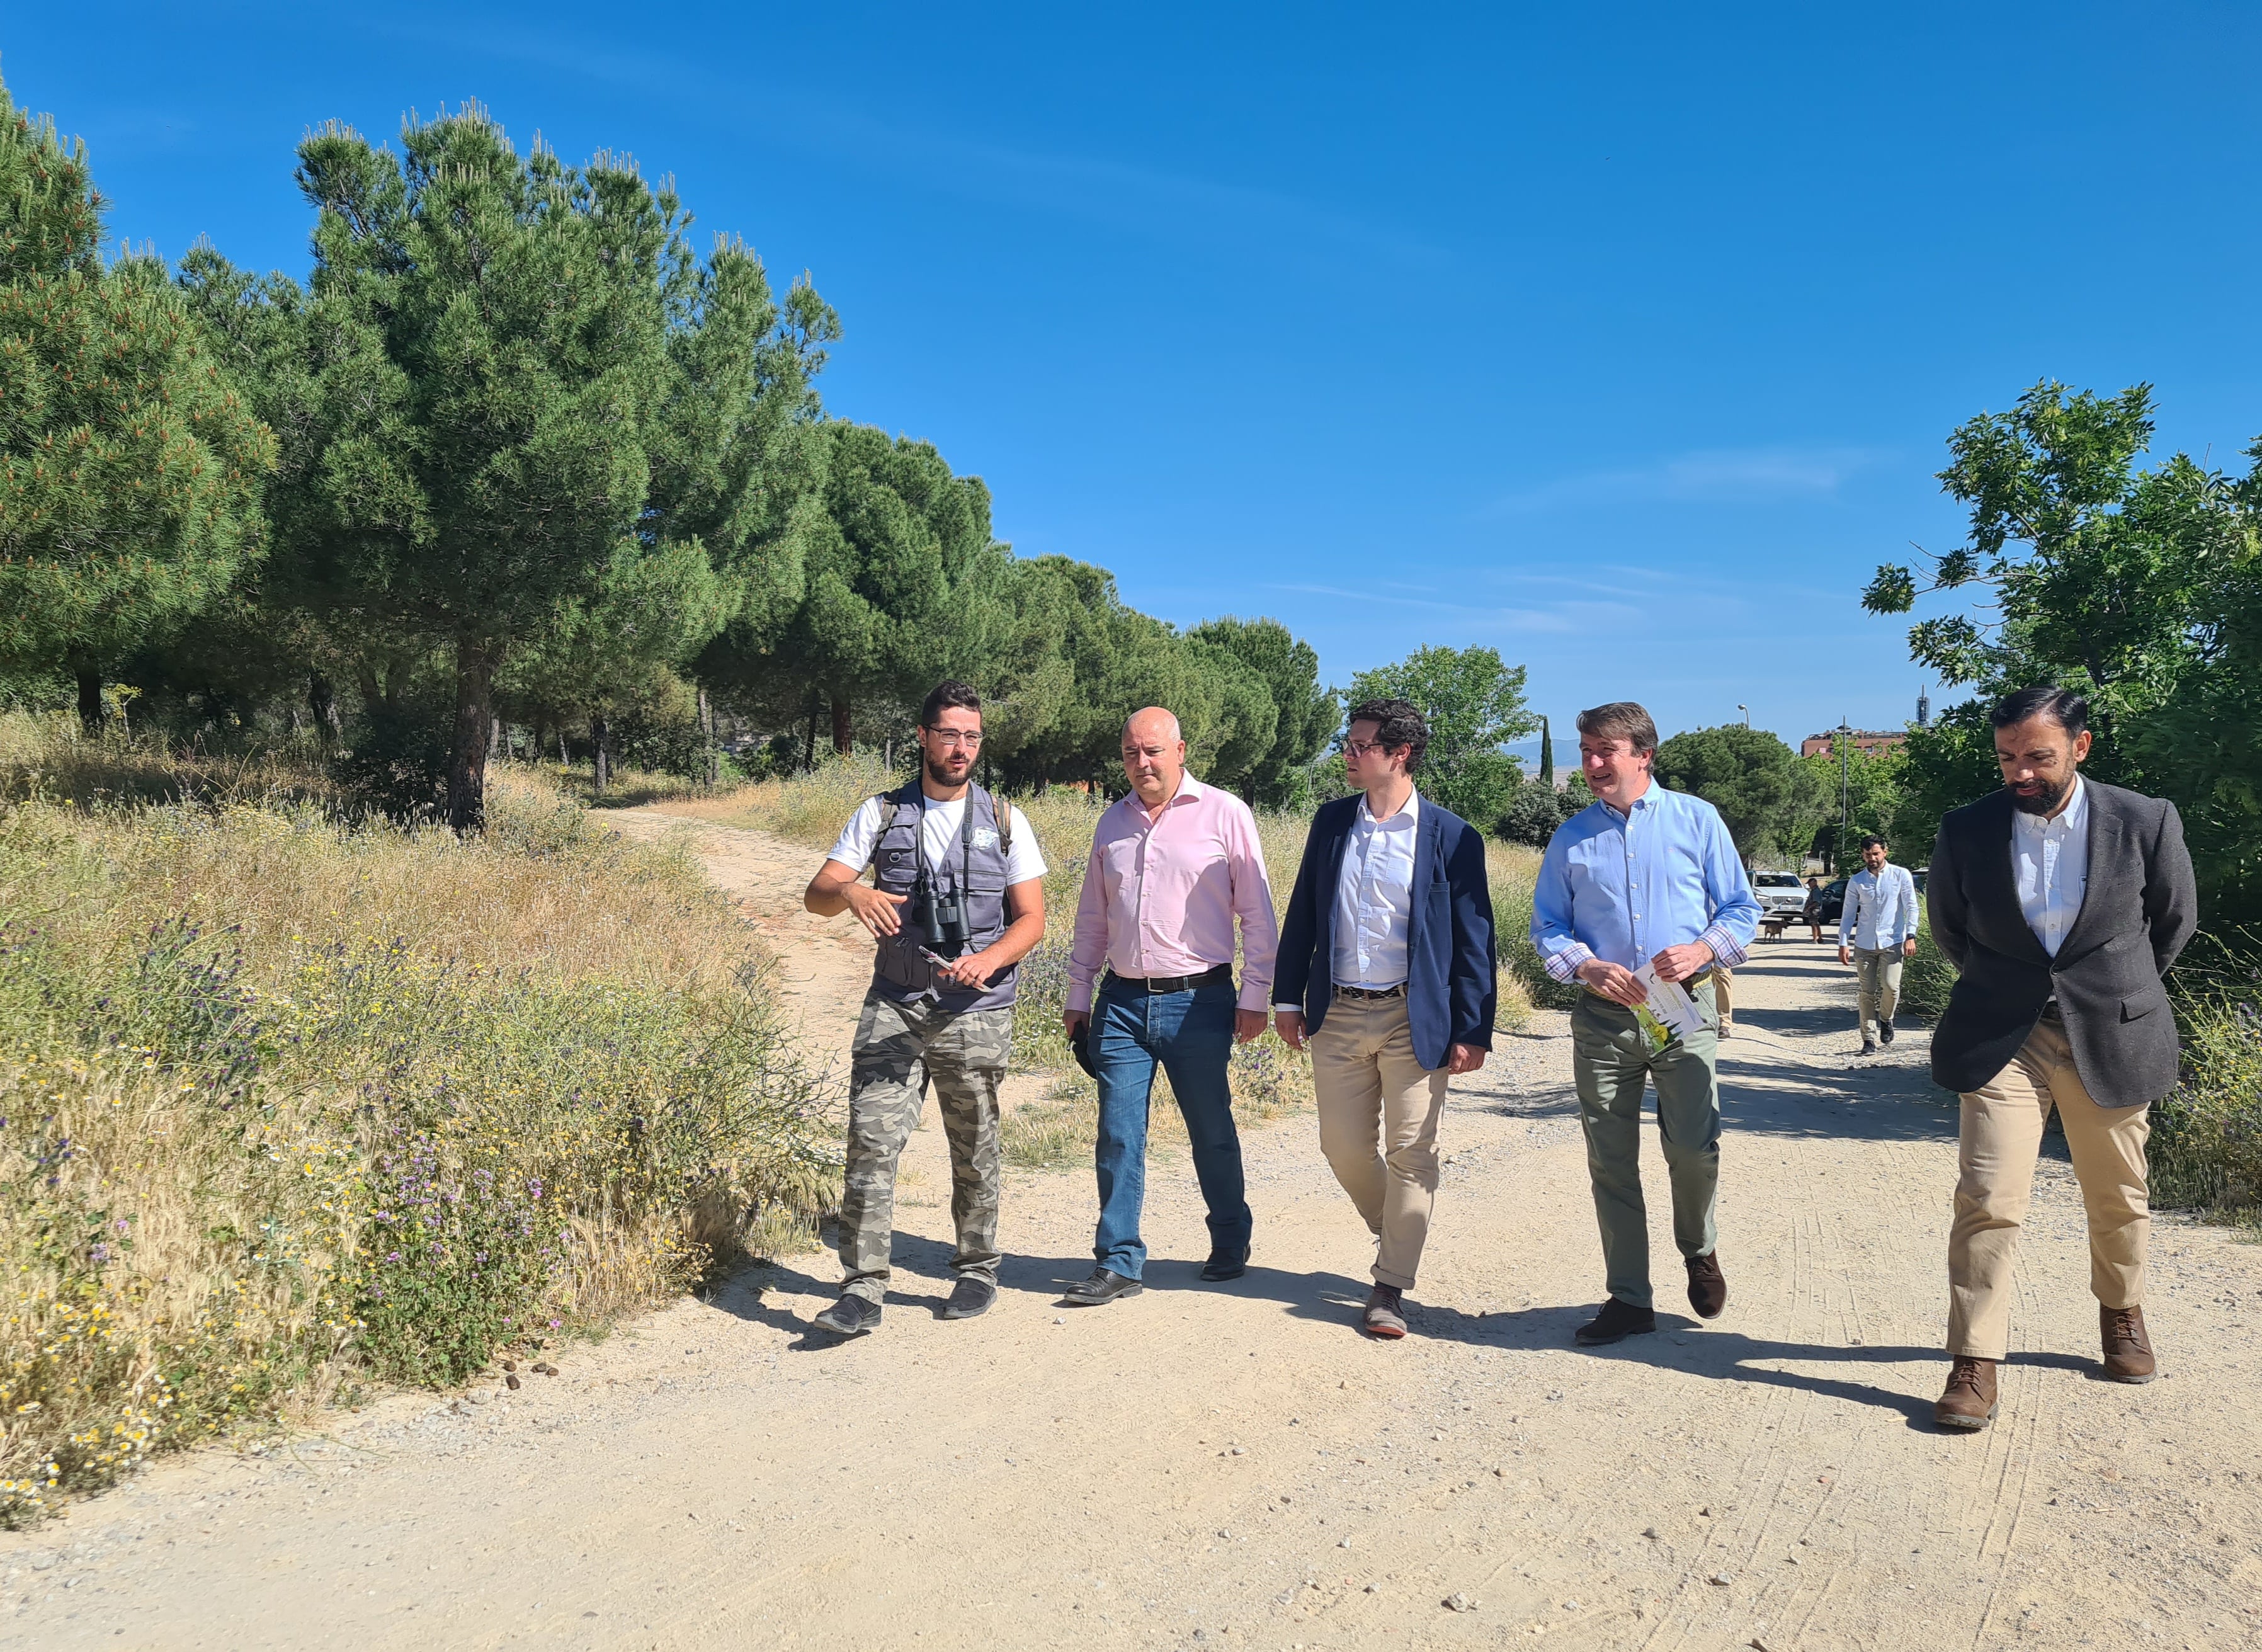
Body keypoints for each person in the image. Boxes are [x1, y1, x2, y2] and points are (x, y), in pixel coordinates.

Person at [1925, 686, 2196, 1431]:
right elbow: (1952, 929)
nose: (2019, 773)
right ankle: (1975, 1361)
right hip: (2004, 1038)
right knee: (1988, 1197)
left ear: (2078, 747)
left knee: (2116, 1193)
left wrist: (2109, 991)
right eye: (2007, 757)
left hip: (2107, 1030)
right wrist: (2010, 988)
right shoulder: (1967, 828)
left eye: (2036, 756)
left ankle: (2121, 1311)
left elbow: (2172, 924)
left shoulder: (2144, 821)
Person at [800, 681, 1048, 1336]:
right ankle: (861, 1288)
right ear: (922, 736)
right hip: (897, 1003)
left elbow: (1031, 921)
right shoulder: (880, 813)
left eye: (971, 736)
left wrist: (988, 960)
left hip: (977, 1005)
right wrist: (852, 891)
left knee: (975, 1145)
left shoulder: (1005, 820)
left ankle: (975, 1269)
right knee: (871, 1141)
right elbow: (816, 896)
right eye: (948, 734)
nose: (960, 747)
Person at [1531, 702, 1762, 1347]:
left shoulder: (1697, 820)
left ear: (1643, 754)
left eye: (1606, 750)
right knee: (1611, 1161)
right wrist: (1583, 966)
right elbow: (1546, 923)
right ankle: (1629, 1297)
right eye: (1585, 751)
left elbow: (1742, 906)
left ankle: (1699, 1246)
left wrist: (1703, 948)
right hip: (1605, 1020)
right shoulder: (1571, 837)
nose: (1593, 764)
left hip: (1684, 1012)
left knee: (1694, 1146)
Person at [1272, 698, 1496, 1338]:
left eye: (1359, 745)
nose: (1347, 754)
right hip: (1337, 1009)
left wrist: (1473, 1026)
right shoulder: (1332, 823)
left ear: (1398, 753)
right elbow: (1304, 914)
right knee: (1339, 1146)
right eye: (1348, 743)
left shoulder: (1452, 836)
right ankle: (1397, 1222)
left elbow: (1475, 939)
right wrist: (1287, 998)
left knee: (1411, 1152)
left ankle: (1388, 1287)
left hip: (1413, 1015)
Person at [1060, 707, 1278, 1305]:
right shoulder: (1112, 823)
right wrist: (1079, 993)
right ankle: (1119, 1261)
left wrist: (1256, 995)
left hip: (1200, 1000)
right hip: (1122, 1002)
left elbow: (1257, 914)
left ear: (1181, 751)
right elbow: (1092, 919)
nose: (1142, 763)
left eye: (1153, 751)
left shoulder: (1224, 813)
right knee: (1118, 1133)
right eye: (1132, 752)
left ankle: (1230, 1239)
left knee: (1210, 1128)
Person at [1838, 833, 1919, 1054]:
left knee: (1891, 987)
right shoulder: (1857, 881)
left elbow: (1911, 906)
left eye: (1876, 853)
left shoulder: (1900, 875)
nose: (1872, 858)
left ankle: (1886, 1018)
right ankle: (1868, 1040)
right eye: (1867, 855)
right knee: (1867, 992)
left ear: (1885, 852)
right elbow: (1847, 915)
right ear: (1863, 856)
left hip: (1893, 941)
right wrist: (1843, 942)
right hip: (1864, 944)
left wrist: (1911, 935)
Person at [1803, 875, 1826, 944]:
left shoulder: (1816, 891)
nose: (1809, 885)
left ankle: (1815, 940)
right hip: (1815, 910)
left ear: (1815, 883)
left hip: (1815, 910)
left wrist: (1809, 908)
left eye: (1810, 883)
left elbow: (1816, 902)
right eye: (1809, 884)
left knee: (1814, 924)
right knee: (1816, 924)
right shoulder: (1814, 891)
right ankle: (1820, 938)